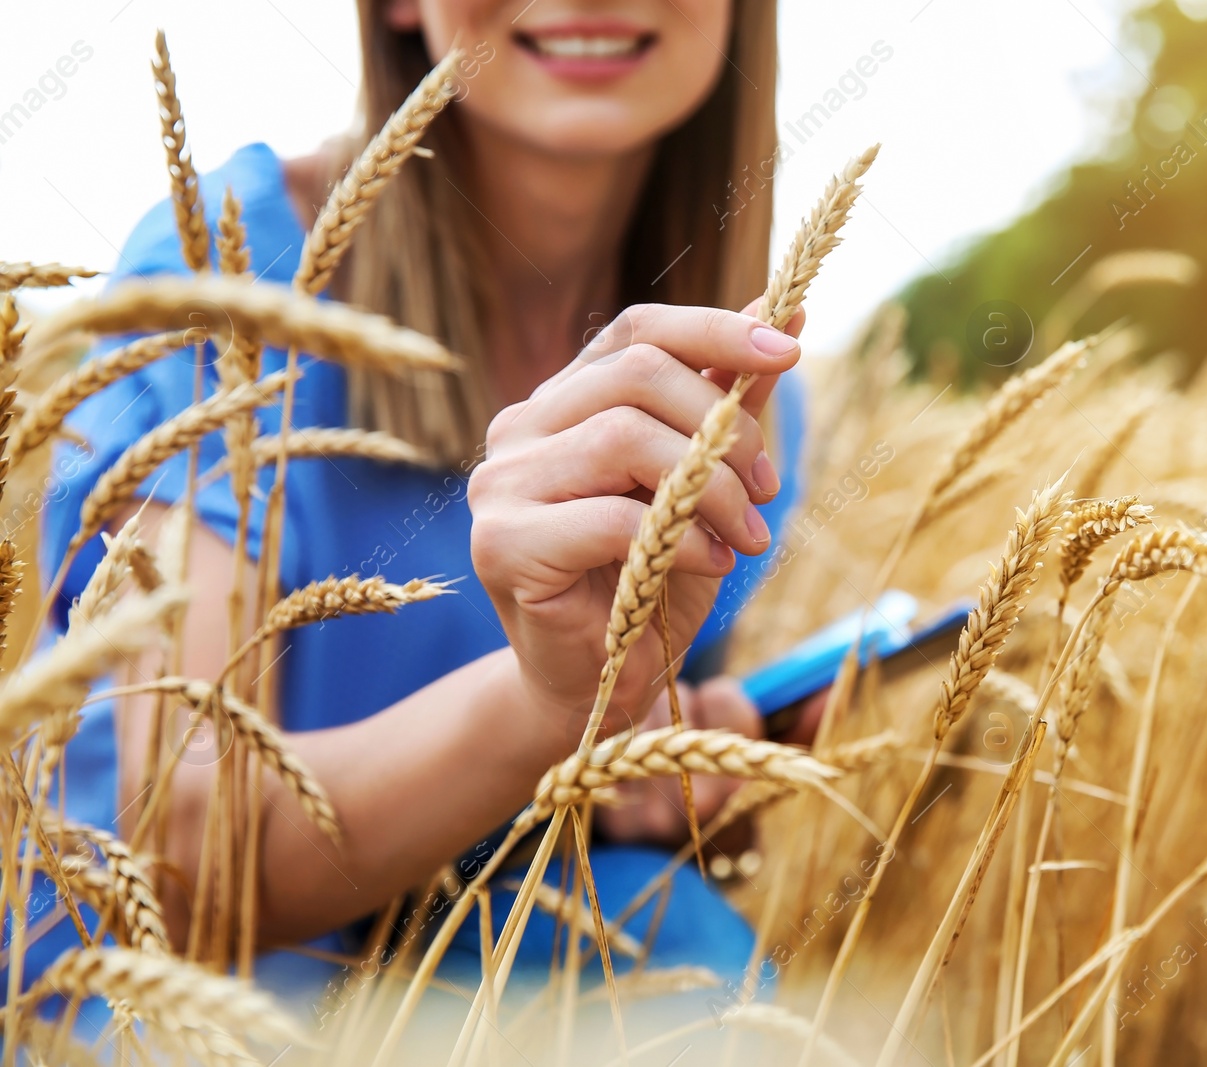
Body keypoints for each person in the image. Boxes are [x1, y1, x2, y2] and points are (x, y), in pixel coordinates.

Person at [27, 0, 819, 1018]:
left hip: (485, 950)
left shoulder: (733, 402)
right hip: (174, 1002)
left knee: (684, 954)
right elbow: (180, 852)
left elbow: (579, 812)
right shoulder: (235, 267)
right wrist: (543, 704)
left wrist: (671, 781)